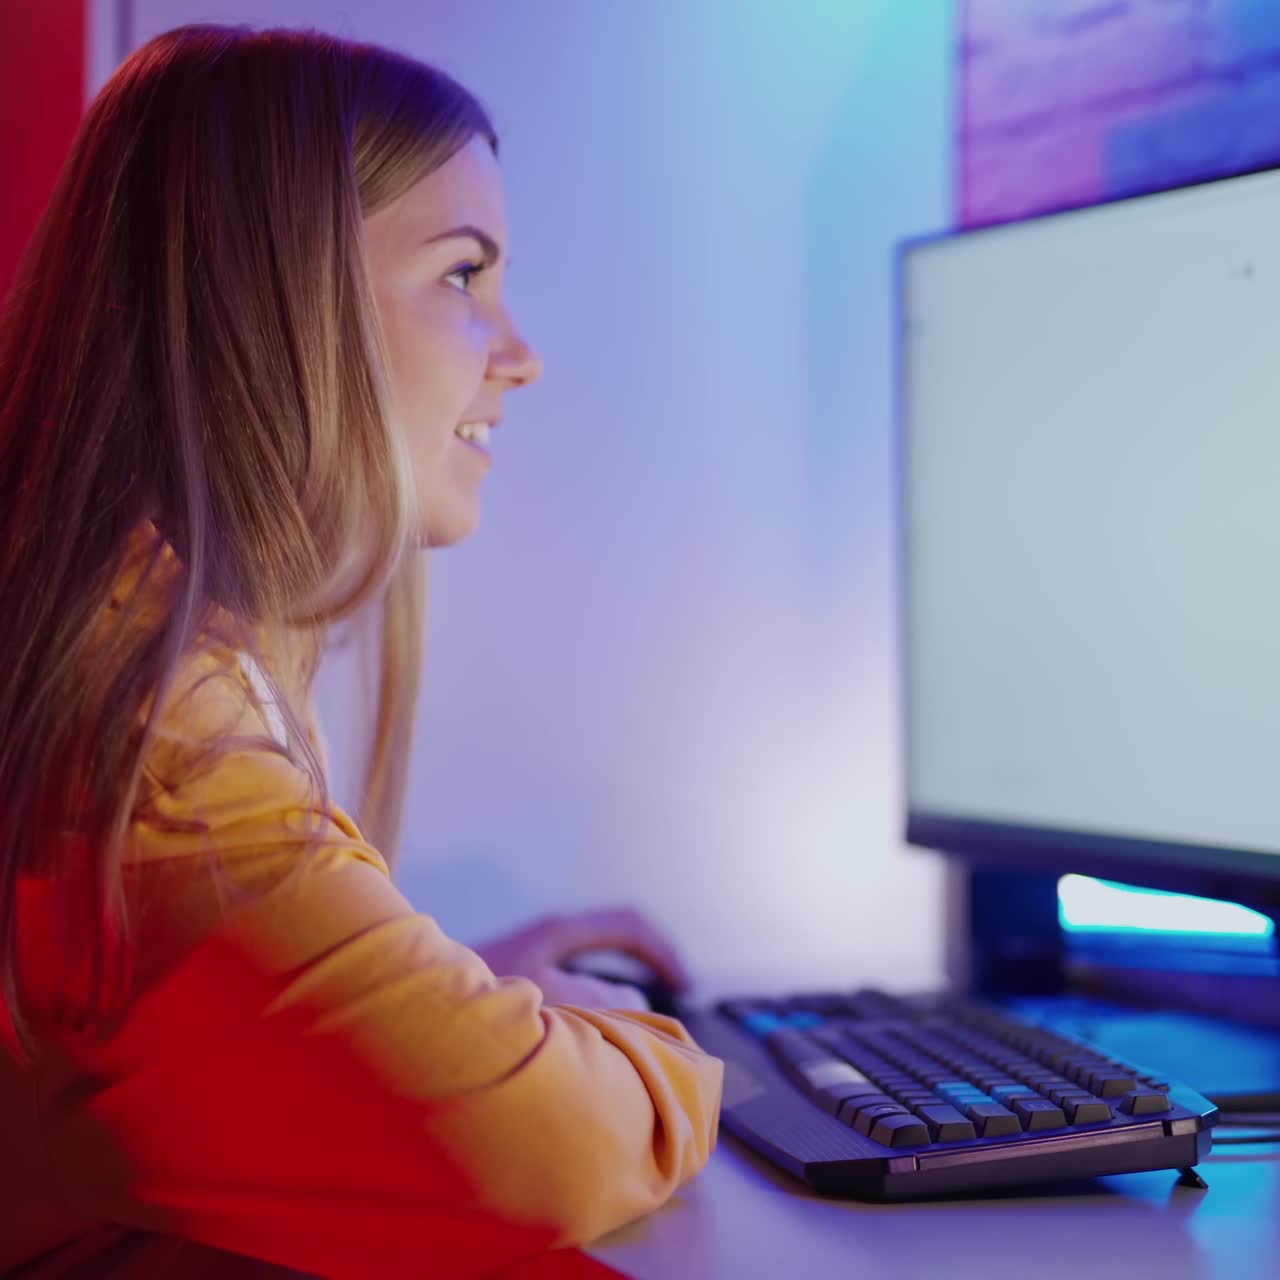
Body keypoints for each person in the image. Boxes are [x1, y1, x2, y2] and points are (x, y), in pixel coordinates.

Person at [0, 22, 723, 1279]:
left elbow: (208, 1011)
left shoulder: (133, 670)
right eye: (462, 274)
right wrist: (642, 1041)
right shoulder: (159, 754)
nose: (521, 354)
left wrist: (443, 992)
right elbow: (537, 1146)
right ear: (274, 297)